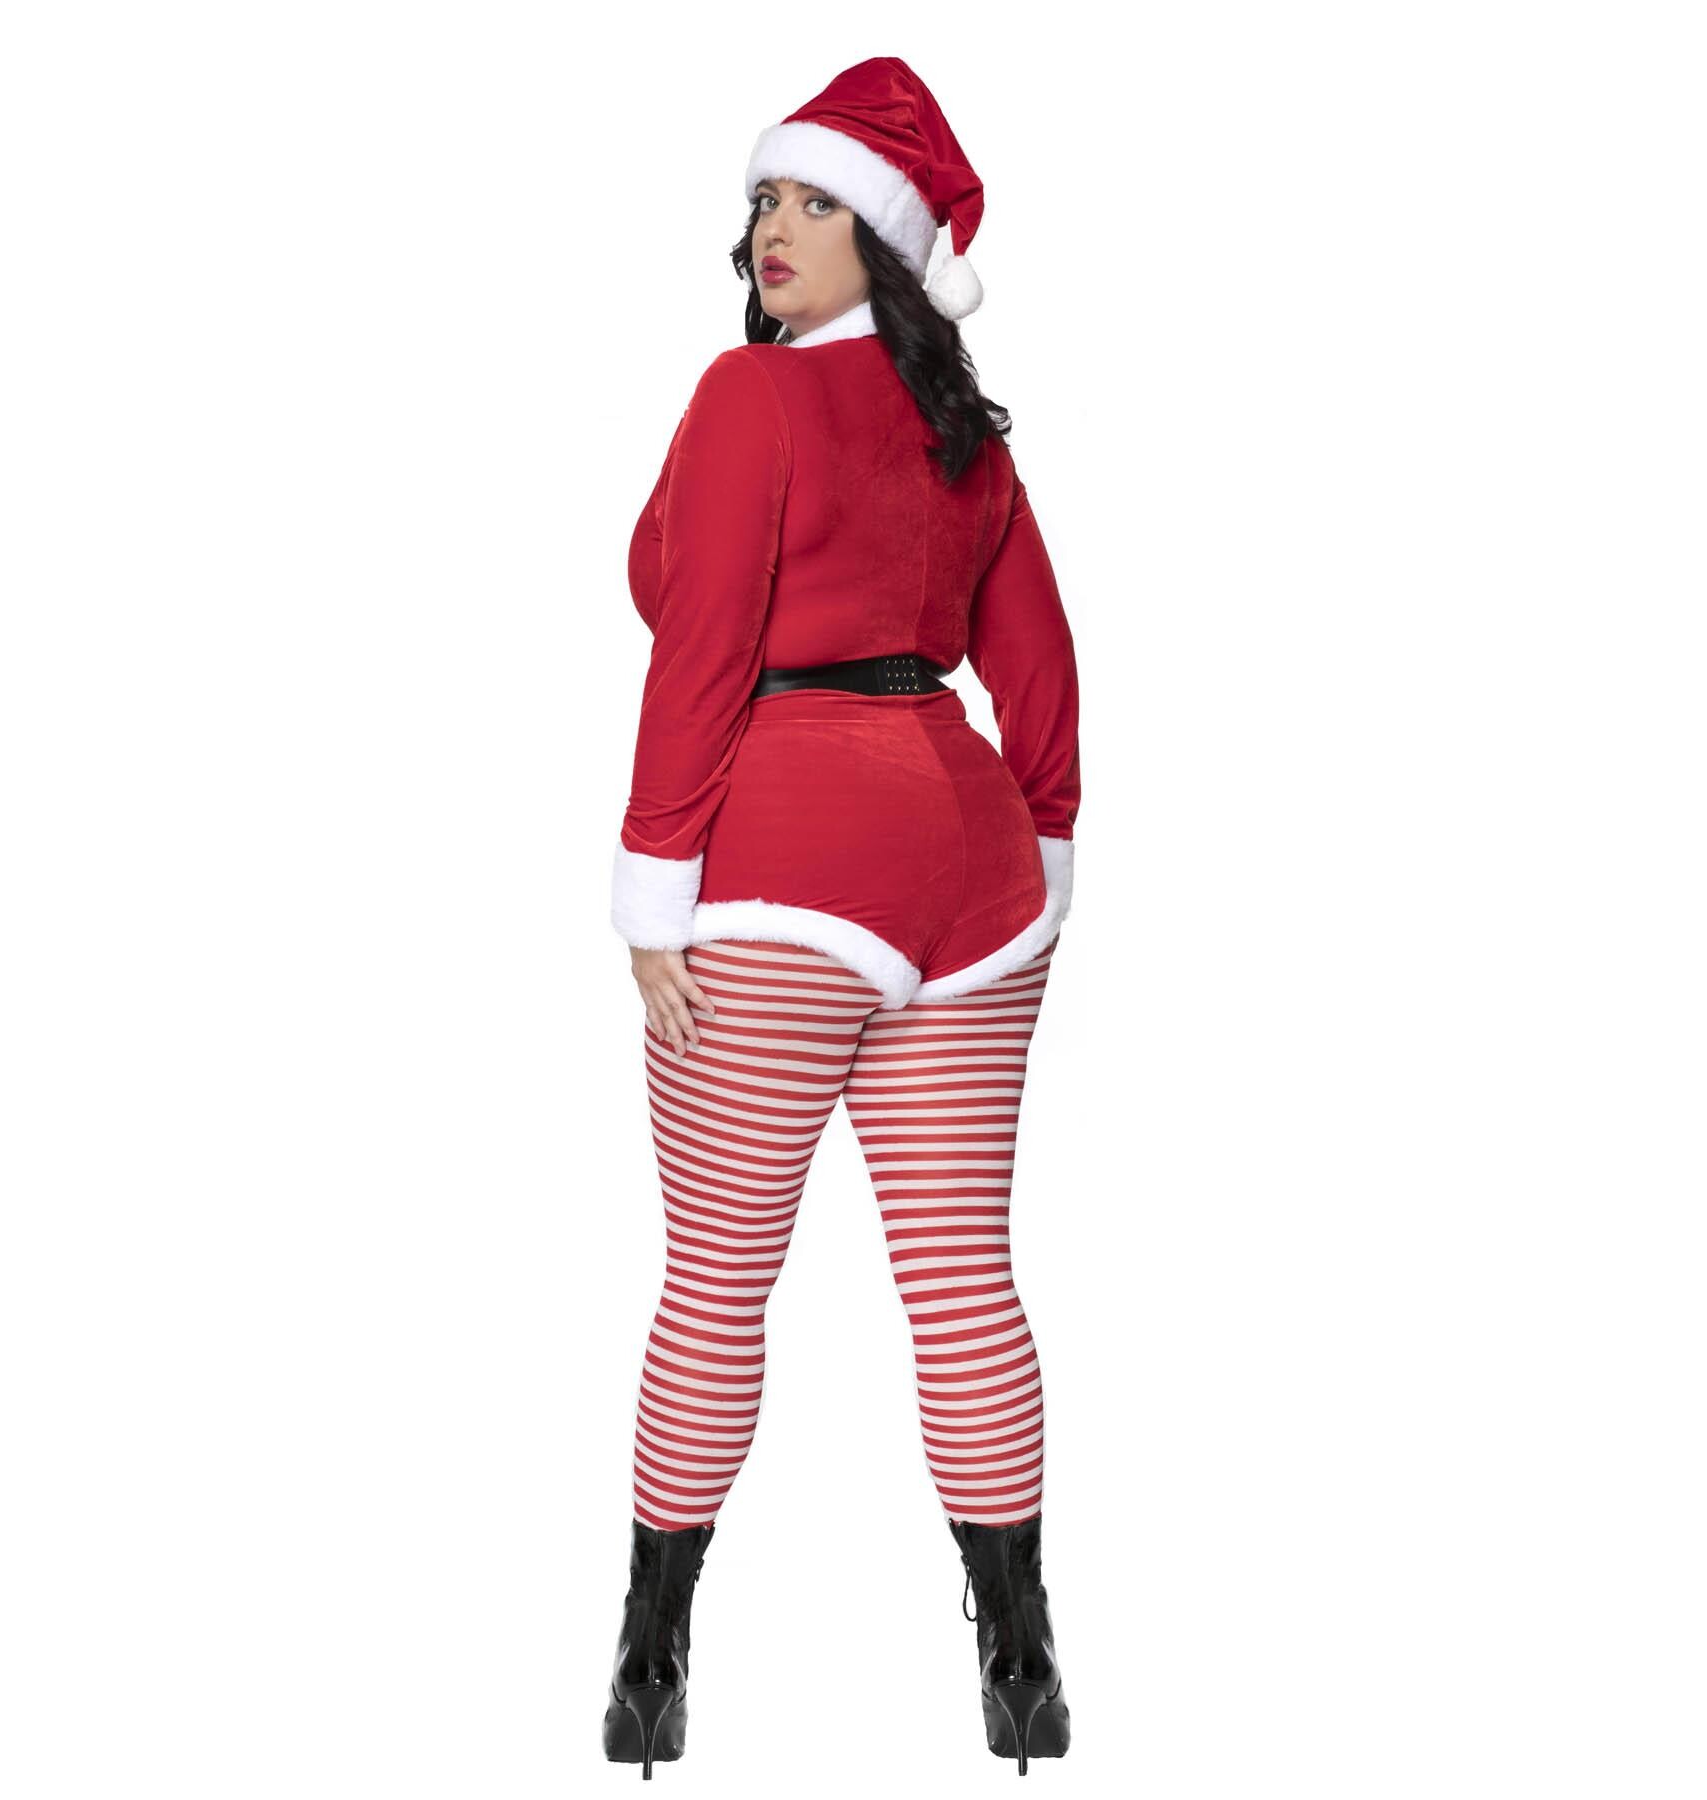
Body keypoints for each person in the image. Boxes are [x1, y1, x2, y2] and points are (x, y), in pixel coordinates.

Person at [601, 57, 1082, 1777]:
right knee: (963, 1283)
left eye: (814, 201)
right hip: (975, 879)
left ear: (882, 237)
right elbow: (1038, 661)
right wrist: (1045, 839)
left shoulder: (750, 401)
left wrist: (652, 881)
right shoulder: (966, 434)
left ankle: (649, 1664)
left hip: (785, 875)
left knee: (716, 1286)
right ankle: (1023, 1669)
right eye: (765, 201)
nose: (775, 228)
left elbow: (699, 645)